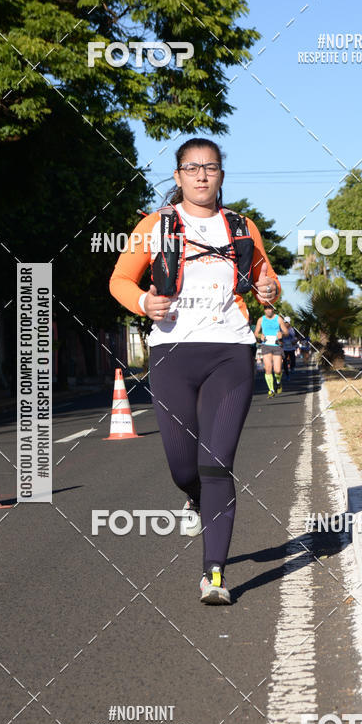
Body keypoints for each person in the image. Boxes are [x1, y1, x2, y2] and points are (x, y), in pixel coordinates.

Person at [109, 138, 281, 605]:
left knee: (216, 463)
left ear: (222, 175)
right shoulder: (155, 226)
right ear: (179, 175)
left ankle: (215, 575)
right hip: (171, 353)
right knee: (182, 464)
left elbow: (268, 280)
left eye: (211, 167)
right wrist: (146, 302)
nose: (202, 175)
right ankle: (194, 497)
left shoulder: (243, 228)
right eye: (192, 167)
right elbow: (119, 280)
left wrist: (268, 289)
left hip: (231, 352)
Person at [254, 306, 289, 397]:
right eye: (266, 309)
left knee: (277, 370)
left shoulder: (279, 319)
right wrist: (260, 335)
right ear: (264, 310)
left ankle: (278, 382)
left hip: (277, 345)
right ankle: (271, 390)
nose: (268, 310)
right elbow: (256, 333)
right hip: (266, 346)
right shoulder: (261, 320)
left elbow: (286, 332)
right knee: (268, 368)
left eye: (270, 308)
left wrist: (282, 334)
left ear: (273, 309)